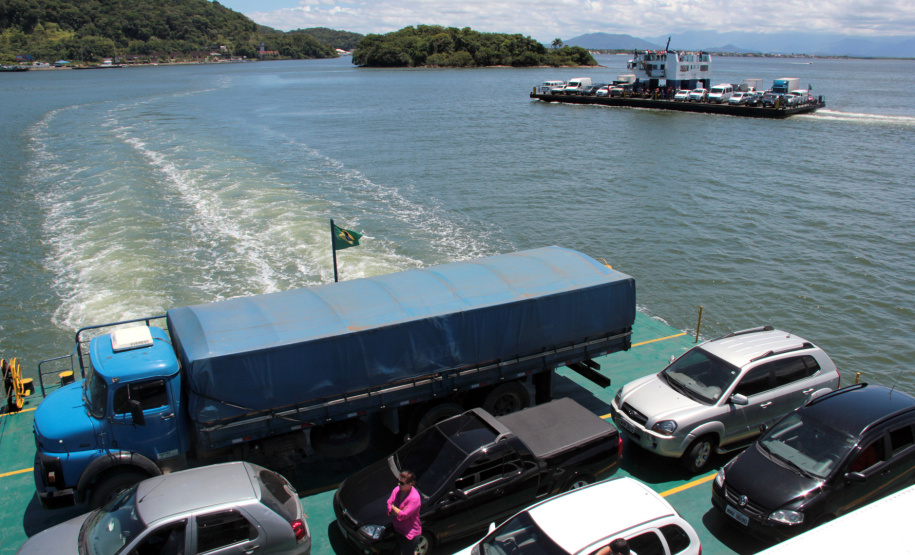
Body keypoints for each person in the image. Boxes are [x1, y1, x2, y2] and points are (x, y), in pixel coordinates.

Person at [387, 470, 422, 555]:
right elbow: (389, 503)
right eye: (398, 481)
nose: (399, 484)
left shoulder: (414, 498)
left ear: (410, 484)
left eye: (402, 483)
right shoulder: (397, 490)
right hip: (398, 529)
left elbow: (404, 515)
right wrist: (397, 510)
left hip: (409, 534)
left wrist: (394, 509)